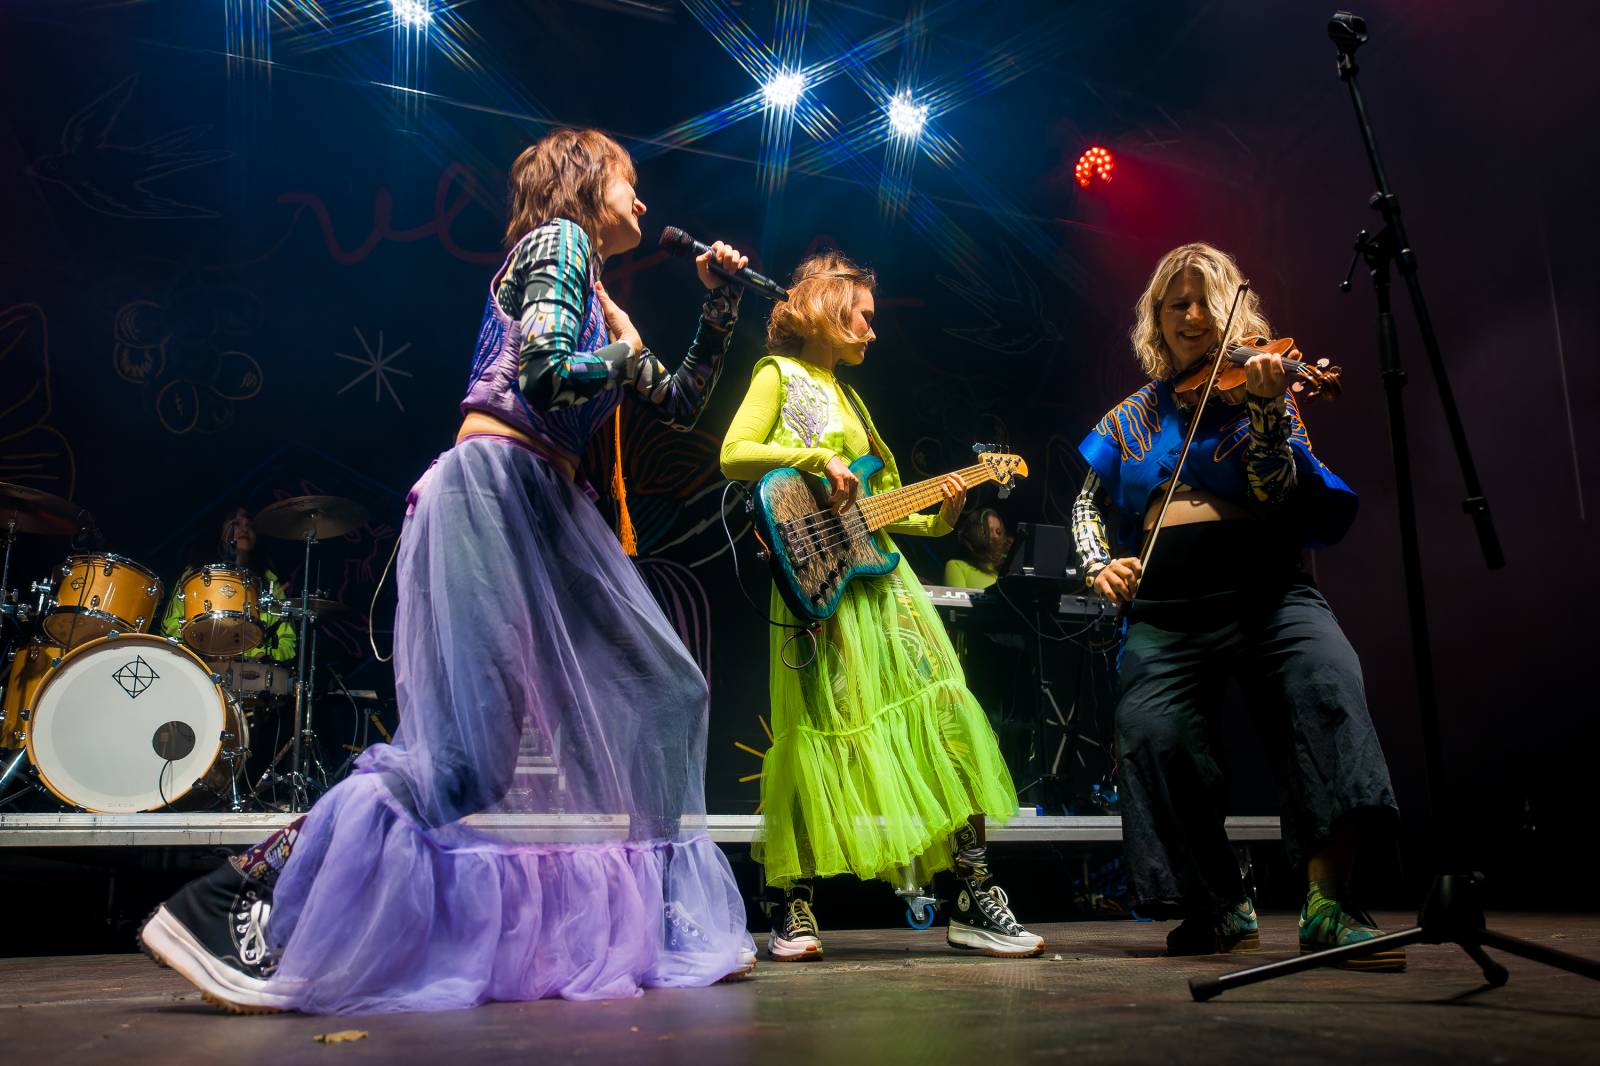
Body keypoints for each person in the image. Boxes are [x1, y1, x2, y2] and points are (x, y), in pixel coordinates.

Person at [139, 127, 758, 1013]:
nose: (645, 203)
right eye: (631, 182)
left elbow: (683, 401)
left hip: (547, 511)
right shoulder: (559, 243)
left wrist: (719, 305)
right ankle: (232, 894)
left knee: (664, 689)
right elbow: (545, 377)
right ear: (586, 182)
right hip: (500, 492)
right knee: (466, 760)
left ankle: (661, 915)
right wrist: (621, 356)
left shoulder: (602, 298)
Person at [1071, 241, 1402, 967]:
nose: (1193, 314)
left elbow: (1277, 490)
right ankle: (1218, 903)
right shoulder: (1134, 414)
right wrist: (1099, 563)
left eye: (1206, 301)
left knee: (1326, 683)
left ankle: (1329, 903)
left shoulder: (1268, 388)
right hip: (1167, 609)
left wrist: (1264, 410)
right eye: (1176, 303)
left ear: (1234, 309)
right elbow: (1086, 504)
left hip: (1269, 593)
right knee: (1150, 729)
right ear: (1156, 320)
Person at [720, 251, 1043, 962]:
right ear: (825, 308)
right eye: (861, 315)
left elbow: (882, 512)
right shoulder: (780, 374)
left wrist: (942, 514)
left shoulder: (858, 405)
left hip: (881, 585)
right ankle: (794, 907)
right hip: (819, 590)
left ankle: (973, 897)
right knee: (815, 733)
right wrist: (813, 461)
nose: (871, 330)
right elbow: (735, 453)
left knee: (944, 716)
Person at [159, 506, 295, 664]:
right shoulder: (194, 574)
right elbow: (169, 626)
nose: (244, 529)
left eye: (249, 525)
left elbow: (287, 643)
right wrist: (203, 648)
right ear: (221, 529)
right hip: (200, 668)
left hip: (251, 677)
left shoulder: (271, 583)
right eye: (236, 523)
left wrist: (256, 655)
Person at [943, 507, 1012, 590]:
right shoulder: (957, 566)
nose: (996, 536)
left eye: (998, 531)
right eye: (988, 531)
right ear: (976, 534)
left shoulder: (1004, 572)